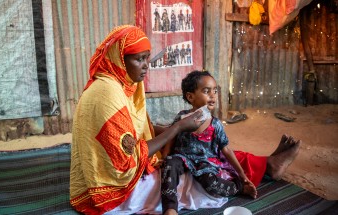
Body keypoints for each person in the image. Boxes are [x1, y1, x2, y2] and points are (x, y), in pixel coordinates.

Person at [69, 25, 203, 215]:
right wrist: (177, 128)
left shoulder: (123, 83)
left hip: (112, 167)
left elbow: (136, 128)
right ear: (120, 60)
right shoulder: (107, 94)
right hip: (113, 188)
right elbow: (126, 161)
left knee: (196, 156)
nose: (146, 64)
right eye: (139, 59)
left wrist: (174, 129)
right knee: (189, 181)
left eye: (147, 57)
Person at [160, 70, 301, 215]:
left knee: (209, 181)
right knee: (170, 162)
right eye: (206, 91)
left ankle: (239, 188)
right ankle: (170, 208)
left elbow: (226, 150)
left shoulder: (215, 124)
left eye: (215, 91)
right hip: (183, 157)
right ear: (190, 96)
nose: (213, 95)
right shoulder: (182, 117)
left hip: (205, 163)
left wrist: (242, 175)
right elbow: (172, 136)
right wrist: (164, 155)